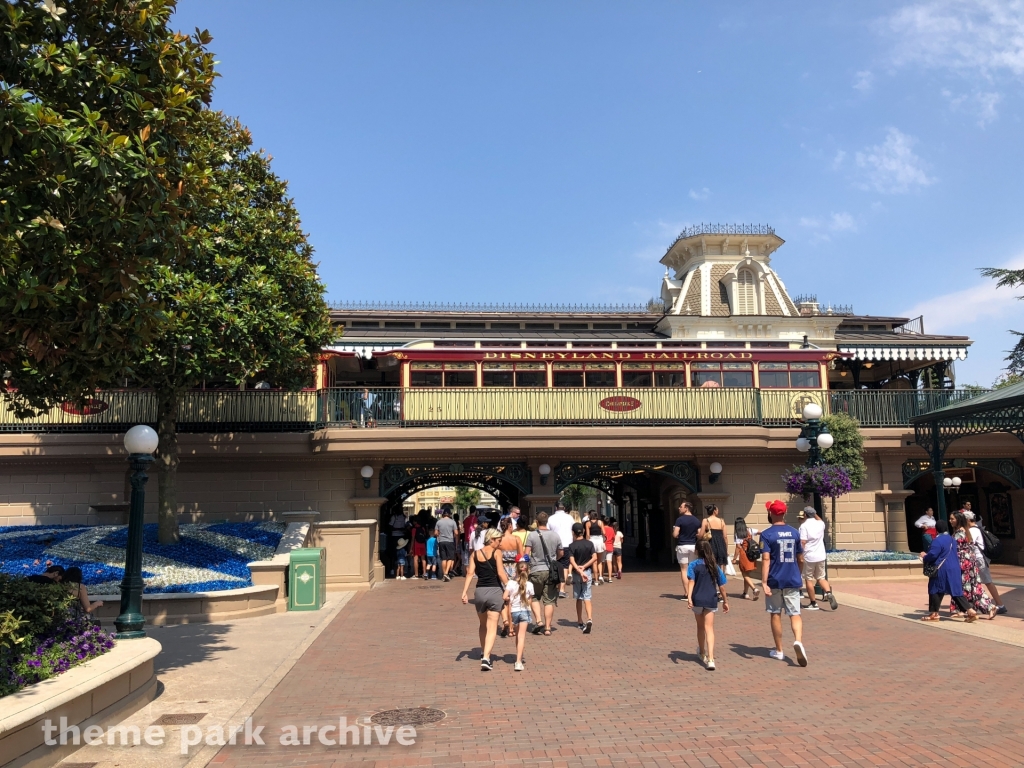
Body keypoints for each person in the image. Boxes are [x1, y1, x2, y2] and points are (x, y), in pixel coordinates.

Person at [760, 500, 808, 666]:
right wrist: (798, 573)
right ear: (784, 513)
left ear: (771, 514)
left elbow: (766, 559)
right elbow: (800, 558)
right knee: (795, 613)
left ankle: (779, 650)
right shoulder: (795, 533)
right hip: (792, 579)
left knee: (775, 613)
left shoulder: (766, 534)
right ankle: (798, 641)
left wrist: (764, 581)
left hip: (774, 579)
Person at [461, 528, 508, 671]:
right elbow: (500, 573)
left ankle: (483, 651)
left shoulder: (475, 554)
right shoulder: (497, 553)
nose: (499, 544)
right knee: (492, 626)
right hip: (495, 591)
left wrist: (464, 592)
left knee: (483, 625)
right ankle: (487, 658)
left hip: (479, 592)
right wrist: (510, 586)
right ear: (492, 539)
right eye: (498, 541)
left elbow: (470, 573)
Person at [687, 539, 730, 670]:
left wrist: (689, 597)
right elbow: (722, 586)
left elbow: (691, 582)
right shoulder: (714, 566)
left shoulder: (693, 565)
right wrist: (726, 601)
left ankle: (702, 652)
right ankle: (711, 659)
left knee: (700, 628)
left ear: (696, 551)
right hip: (711, 599)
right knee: (709, 628)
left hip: (697, 599)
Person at [920, 525, 975, 622]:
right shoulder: (952, 539)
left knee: (935, 589)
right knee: (955, 591)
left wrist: (924, 557)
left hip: (942, 569)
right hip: (954, 568)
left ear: (937, 530)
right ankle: (970, 611)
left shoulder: (937, 540)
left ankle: (934, 614)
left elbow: (933, 554)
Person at [949, 511, 996, 620]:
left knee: (962, 585)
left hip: (963, 562)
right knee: (972, 586)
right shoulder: (965, 530)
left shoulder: (960, 532)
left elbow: (955, 548)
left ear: (958, 520)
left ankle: (986, 607)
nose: (950, 521)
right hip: (970, 561)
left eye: (952, 519)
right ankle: (965, 609)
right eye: (950, 519)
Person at [524, 511, 563, 636]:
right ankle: (547, 628)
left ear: (536, 521)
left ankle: (539, 621)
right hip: (551, 571)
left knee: (534, 597)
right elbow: (561, 553)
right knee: (549, 599)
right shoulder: (555, 535)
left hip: (535, 570)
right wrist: (554, 560)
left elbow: (526, 554)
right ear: (547, 522)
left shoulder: (531, 535)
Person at [966, 511, 1007, 614]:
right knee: (975, 582)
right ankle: (975, 605)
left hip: (978, 559)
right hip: (977, 559)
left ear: (967, 520)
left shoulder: (973, 530)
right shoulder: (975, 529)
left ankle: (1000, 604)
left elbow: (968, 542)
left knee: (987, 581)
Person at [798, 506, 837, 611]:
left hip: (809, 556)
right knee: (821, 577)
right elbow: (819, 519)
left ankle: (813, 603)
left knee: (808, 579)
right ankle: (828, 593)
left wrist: (800, 554)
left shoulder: (804, 526)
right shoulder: (820, 524)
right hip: (820, 555)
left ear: (805, 515)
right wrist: (814, 513)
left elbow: (803, 542)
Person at [503, 558, 534, 671]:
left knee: (517, 635)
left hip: (514, 612)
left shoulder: (511, 583)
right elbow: (530, 600)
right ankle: (519, 661)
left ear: (515, 571)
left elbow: (504, 597)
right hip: (525, 611)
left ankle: (518, 655)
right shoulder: (530, 584)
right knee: (522, 636)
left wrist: (510, 598)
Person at [496, 517, 524, 637]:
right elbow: (521, 557)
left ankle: (506, 622)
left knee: (505, 598)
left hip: (502, 569)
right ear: (510, 526)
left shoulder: (499, 540)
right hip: (514, 570)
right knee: (513, 598)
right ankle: (512, 628)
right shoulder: (516, 539)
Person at [567, 522, 597, 633]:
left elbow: (571, 560)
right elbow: (594, 558)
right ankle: (589, 618)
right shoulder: (589, 544)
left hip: (576, 574)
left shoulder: (572, 546)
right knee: (587, 597)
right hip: (587, 573)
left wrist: (579, 570)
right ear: (583, 532)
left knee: (578, 597)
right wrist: (584, 568)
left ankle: (580, 620)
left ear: (573, 533)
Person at [672, 501, 701, 602]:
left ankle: (687, 593)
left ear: (686, 508)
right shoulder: (696, 520)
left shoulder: (679, 520)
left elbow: (675, 534)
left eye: (681, 507)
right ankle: (693, 592)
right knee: (693, 568)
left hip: (682, 546)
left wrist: (677, 533)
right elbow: (699, 534)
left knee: (684, 569)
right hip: (693, 545)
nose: (679, 508)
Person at [548, 502, 575, 598]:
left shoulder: (550, 518)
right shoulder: (570, 518)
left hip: (554, 544)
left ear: (556, 508)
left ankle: (554, 586)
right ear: (564, 508)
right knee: (565, 566)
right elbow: (574, 529)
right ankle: (562, 589)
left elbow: (548, 531)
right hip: (567, 544)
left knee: (554, 564)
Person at [732, 518, 760, 600]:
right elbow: (760, 532)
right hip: (751, 555)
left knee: (744, 574)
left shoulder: (738, 534)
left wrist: (734, 558)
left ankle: (754, 589)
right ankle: (745, 593)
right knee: (747, 574)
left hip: (744, 555)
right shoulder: (750, 530)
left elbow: (737, 547)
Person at [700, 505, 729, 584]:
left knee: (711, 564)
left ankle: (713, 585)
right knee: (721, 566)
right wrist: (726, 548)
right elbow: (725, 537)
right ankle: (721, 585)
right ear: (715, 511)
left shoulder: (705, 521)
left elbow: (701, 534)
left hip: (710, 544)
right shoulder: (721, 521)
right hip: (720, 544)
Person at [434, 508, 459, 582]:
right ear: (449, 514)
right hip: (450, 541)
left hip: (441, 541)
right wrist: (453, 536)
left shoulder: (438, 522)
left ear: (443, 514)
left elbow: (435, 533)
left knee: (443, 558)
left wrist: (440, 534)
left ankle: (444, 574)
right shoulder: (453, 522)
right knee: (450, 558)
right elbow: (456, 533)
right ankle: (446, 573)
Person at [586, 514, 606, 584]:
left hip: (592, 540)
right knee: (600, 560)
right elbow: (604, 532)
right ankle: (600, 575)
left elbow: (588, 535)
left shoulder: (588, 523)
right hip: (599, 540)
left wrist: (587, 542)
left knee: (594, 561)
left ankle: (596, 580)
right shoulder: (600, 522)